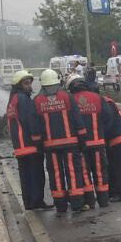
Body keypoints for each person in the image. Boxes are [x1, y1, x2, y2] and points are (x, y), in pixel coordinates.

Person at [34, 68, 92, 213]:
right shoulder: (66, 96)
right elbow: (76, 118)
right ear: (57, 81)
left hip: (50, 146)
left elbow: (36, 126)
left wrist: (38, 144)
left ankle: (60, 205)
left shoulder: (37, 100)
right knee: (73, 172)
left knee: (56, 175)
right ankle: (77, 204)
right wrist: (83, 139)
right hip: (70, 144)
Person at [5, 70, 51, 210]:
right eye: (26, 83)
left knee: (25, 177)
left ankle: (29, 203)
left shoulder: (12, 100)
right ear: (19, 85)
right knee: (36, 175)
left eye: (30, 83)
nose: (29, 86)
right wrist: (38, 140)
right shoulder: (23, 99)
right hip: (30, 145)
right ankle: (37, 201)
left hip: (20, 147)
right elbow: (31, 120)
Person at [69, 74, 111, 208]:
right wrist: (101, 131)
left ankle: (89, 201)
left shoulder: (70, 100)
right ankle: (103, 200)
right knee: (100, 171)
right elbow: (108, 116)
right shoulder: (97, 97)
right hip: (98, 142)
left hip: (80, 145)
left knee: (84, 173)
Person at [101, 84, 121, 202]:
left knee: (119, 167)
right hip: (114, 138)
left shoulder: (105, 103)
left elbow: (108, 124)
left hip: (120, 137)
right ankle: (112, 192)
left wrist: (102, 139)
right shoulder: (103, 102)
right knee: (111, 166)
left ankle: (120, 194)